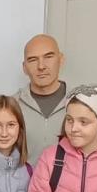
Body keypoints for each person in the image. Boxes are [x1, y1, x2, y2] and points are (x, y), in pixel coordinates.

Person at [13, 34, 66, 165]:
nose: (41, 66)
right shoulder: (11, 106)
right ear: (24, 67)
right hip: (24, 179)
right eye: (32, 60)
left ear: (61, 60)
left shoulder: (81, 104)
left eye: (48, 57)